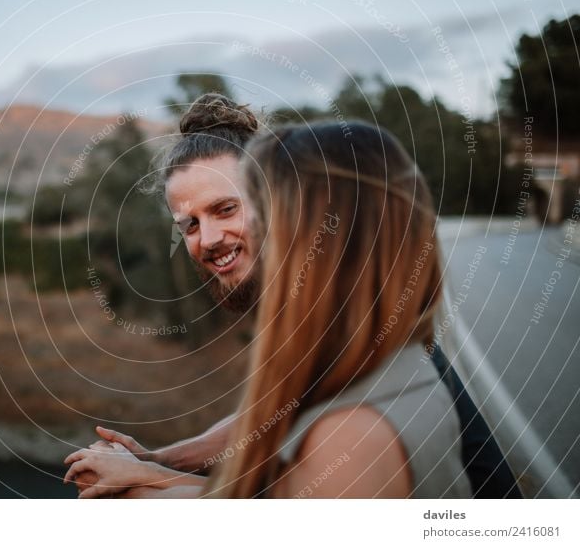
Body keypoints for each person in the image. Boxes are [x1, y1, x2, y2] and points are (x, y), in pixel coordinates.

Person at [64, 95, 520, 498]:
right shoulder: (329, 316)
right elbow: (276, 413)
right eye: (189, 225)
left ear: (283, 208)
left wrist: (138, 489)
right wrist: (159, 461)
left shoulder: (351, 363)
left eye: (227, 208)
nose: (208, 239)